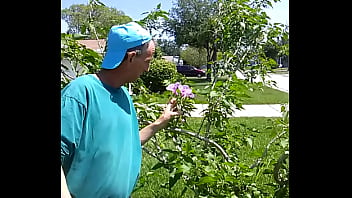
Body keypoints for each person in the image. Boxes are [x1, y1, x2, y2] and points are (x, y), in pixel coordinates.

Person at [61, 22, 181, 198]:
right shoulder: (81, 92)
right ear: (131, 57)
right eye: (147, 61)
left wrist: (160, 122)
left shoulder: (123, 94)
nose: (148, 69)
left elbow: (128, 143)